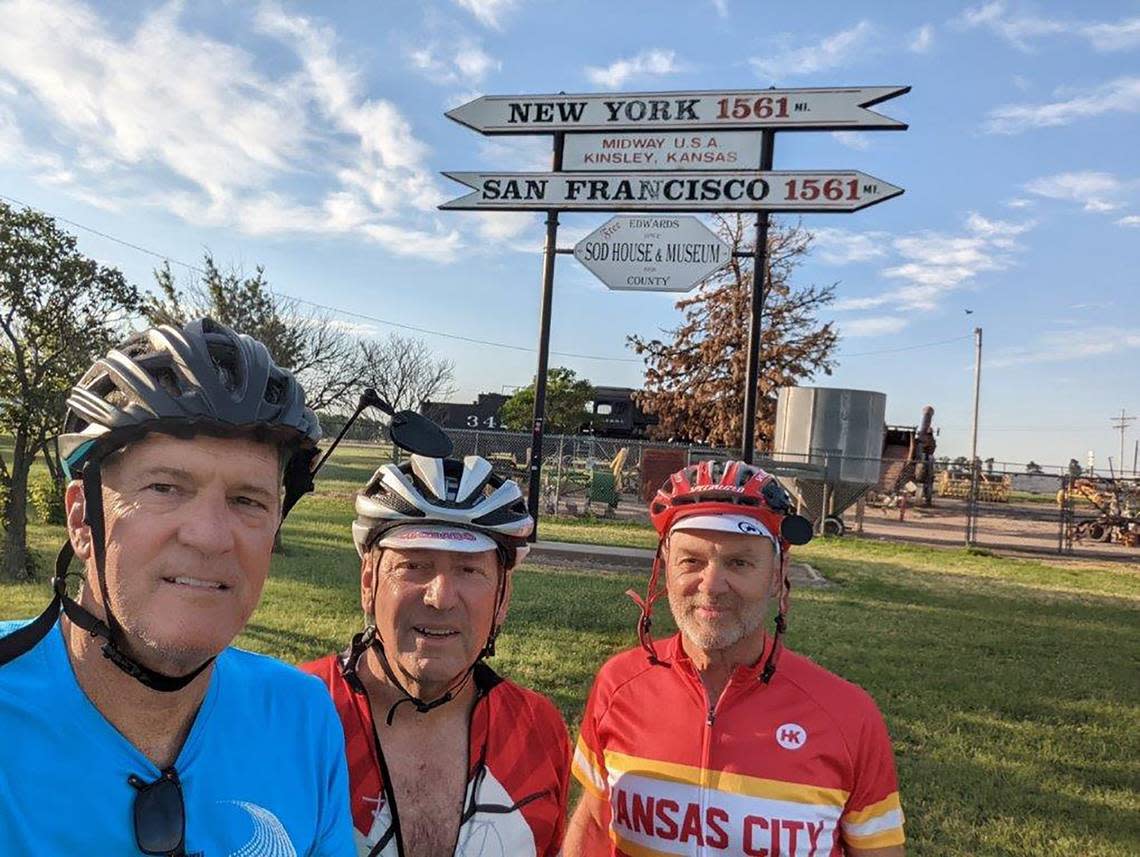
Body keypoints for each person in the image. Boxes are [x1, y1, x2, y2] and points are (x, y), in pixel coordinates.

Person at [0, 318, 355, 856]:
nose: (211, 537)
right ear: (81, 520)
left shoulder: (302, 716)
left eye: (248, 500)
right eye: (164, 487)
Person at [565, 460, 906, 857]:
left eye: (739, 563)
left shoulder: (849, 716)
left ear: (777, 574)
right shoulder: (618, 684)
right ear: (664, 568)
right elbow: (592, 819)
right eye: (691, 561)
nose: (711, 586)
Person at [301, 453, 571, 857]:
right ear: (369, 582)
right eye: (414, 565)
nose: (440, 598)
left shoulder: (539, 730)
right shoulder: (296, 712)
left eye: (469, 570)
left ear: (503, 598)